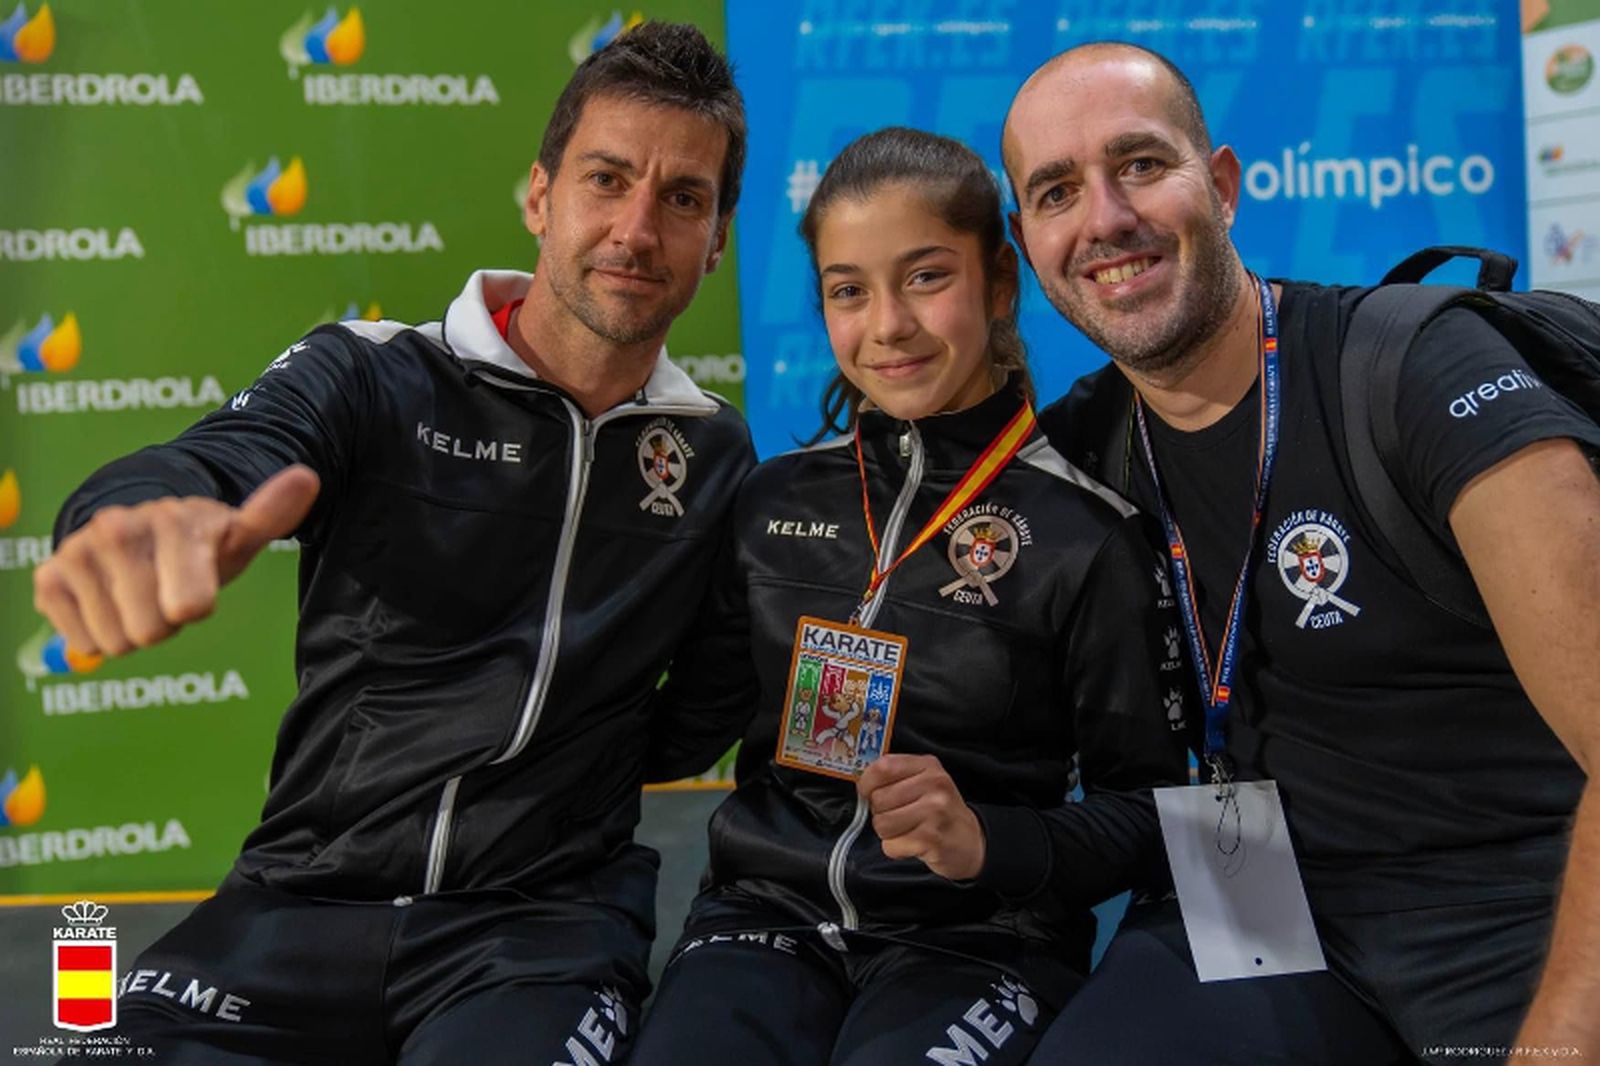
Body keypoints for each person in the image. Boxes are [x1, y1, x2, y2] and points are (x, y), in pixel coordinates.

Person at [31, 22, 753, 1064]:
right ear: (540, 197)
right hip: (296, 902)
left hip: (538, 933)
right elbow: (222, 456)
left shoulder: (714, 453)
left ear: (717, 237)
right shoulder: (374, 374)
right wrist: (131, 519)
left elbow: (693, 721)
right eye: (606, 179)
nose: (636, 229)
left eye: (683, 198)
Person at [1002, 41, 1600, 1064]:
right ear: (1026, 239)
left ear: (1222, 185)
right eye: (1058, 191)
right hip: (1260, 902)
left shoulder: (1414, 371)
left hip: (1517, 909)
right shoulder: (1081, 448)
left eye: (1141, 165)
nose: (1104, 219)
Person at [628, 127, 1188, 1066]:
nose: (886, 324)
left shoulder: (1087, 532)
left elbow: (1151, 814)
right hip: (761, 921)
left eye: (926, 276)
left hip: (981, 943)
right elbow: (689, 724)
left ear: (999, 284)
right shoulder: (773, 500)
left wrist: (987, 843)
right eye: (849, 289)